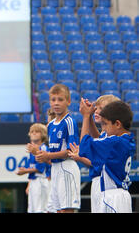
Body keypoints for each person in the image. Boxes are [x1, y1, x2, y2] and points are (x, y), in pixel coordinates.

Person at [70, 101, 135, 213]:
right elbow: (99, 143)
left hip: (112, 197)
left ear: (118, 124)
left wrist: (86, 116)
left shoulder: (114, 142)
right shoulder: (128, 140)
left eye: (105, 124)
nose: (103, 129)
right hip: (122, 195)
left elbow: (84, 145)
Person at [34, 84, 81, 213]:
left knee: (66, 210)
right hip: (55, 169)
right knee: (55, 209)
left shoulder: (69, 122)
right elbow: (52, 152)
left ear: (68, 101)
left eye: (60, 99)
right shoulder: (50, 126)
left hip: (66, 167)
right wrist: (42, 155)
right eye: (53, 100)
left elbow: (71, 151)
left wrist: (48, 156)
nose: (56, 103)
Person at [18, 123, 50, 213]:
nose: (34, 133)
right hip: (34, 182)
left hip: (42, 181)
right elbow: (31, 168)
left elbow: (40, 168)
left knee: (40, 208)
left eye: (37, 132)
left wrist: (24, 171)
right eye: (32, 132)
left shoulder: (43, 149)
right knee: (32, 209)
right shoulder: (31, 151)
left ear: (43, 134)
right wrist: (29, 184)